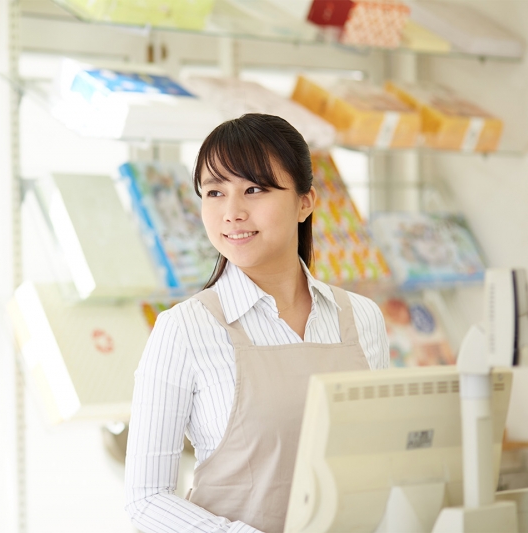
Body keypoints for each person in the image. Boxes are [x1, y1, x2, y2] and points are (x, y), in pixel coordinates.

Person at [124, 114, 389, 533]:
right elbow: (145, 500)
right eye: (215, 192)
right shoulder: (184, 329)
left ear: (305, 202)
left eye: (254, 189)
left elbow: (382, 461)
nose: (232, 213)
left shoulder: (362, 318)